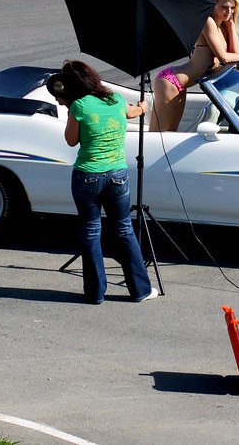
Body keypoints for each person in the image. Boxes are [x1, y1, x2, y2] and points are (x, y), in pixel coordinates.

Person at [47, 60, 158, 304]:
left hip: (88, 175)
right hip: (118, 175)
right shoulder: (116, 99)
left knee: (91, 230)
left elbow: (71, 140)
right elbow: (133, 112)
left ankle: (95, 293)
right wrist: (143, 106)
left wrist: (69, 110)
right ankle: (140, 290)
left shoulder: (79, 106)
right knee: (124, 229)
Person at [151, 0, 239, 131]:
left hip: (180, 84)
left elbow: (235, 53)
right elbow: (225, 58)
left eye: (232, 8)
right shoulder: (208, 22)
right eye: (224, 7)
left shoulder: (224, 25)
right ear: (214, 5)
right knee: (160, 135)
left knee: (171, 132)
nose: (229, 12)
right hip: (171, 82)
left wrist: (231, 25)